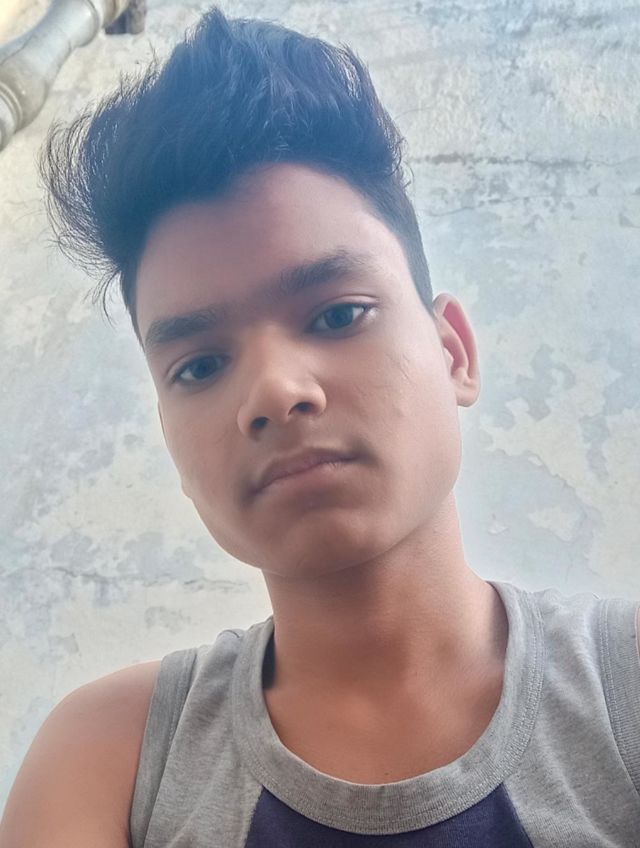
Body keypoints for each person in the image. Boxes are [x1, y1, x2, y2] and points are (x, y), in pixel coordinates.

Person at [1, 6, 639, 846]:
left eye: (339, 314)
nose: (273, 392)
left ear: (453, 351)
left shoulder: (623, 692)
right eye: (199, 366)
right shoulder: (107, 761)